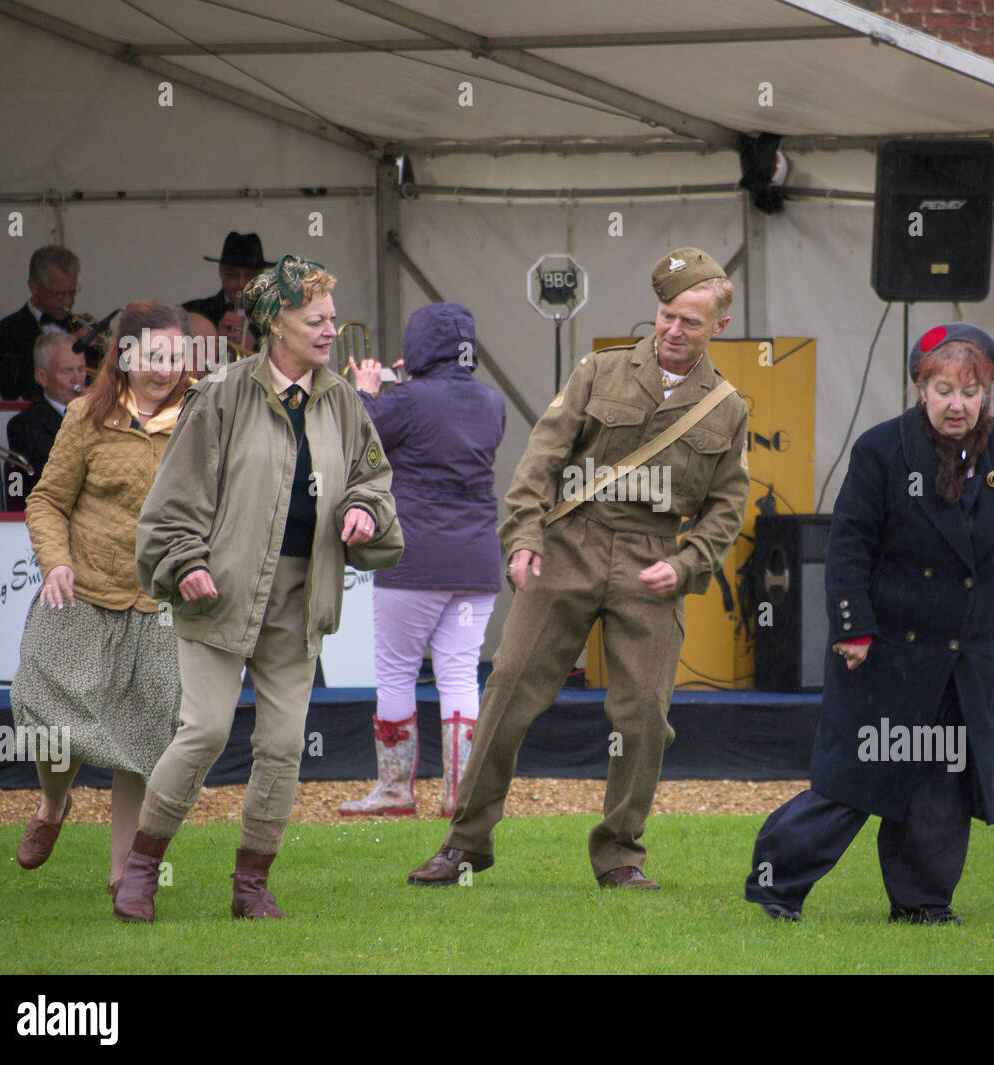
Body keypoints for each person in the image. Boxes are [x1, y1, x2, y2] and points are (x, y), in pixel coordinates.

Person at [407, 247, 750, 890]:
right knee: (508, 689)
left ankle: (620, 853)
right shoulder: (601, 369)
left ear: (719, 328)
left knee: (643, 715)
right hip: (570, 544)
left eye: (691, 323)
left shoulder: (727, 408)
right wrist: (525, 537)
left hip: (653, 558)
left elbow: (727, 509)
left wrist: (687, 565)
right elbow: (542, 456)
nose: (674, 331)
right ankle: (464, 844)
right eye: (667, 316)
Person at [744, 322, 994, 924]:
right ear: (921, 389)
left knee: (943, 786)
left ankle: (922, 904)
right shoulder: (880, 450)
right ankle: (775, 884)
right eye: (943, 390)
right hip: (885, 651)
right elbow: (849, 548)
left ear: (987, 395)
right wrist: (852, 627)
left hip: (962, 657)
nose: (956, 405)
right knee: (854, 781)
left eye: (970, 393)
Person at [118, 254, 403, 923]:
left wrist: (365, 511)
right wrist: (185, 561)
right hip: (216, 594)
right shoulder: (220, 394)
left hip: (302, 599)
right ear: (277, 324)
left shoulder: (341, 402)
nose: (331, 330)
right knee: (205, 732)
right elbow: (174, 502)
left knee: (281, 743)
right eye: (317, 319)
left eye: (333, 317)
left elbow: (374, 481)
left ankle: (251, 885)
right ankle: (139, 870)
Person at [11, 300, 191, 894]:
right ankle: (52, 806)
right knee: (47, 714)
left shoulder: (199, 420)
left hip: (156, 605)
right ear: (126, 355)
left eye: (176, 356)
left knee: (140, 742)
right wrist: (55, 563)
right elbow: (46, 500)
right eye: (153, 357)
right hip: (82, 590)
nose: (165, 370)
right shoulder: (88, 415)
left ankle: (123, 876)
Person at [341, 303, 506, 819]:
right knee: (459, 674)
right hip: (477, 559)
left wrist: (368, 391)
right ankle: (461, 796)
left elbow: (360, 442)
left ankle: (395, 791)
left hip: (414, 556)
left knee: (396, 673)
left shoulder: (407, 400)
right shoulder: (493, 403)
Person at [0, 246, 91, 400]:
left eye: (72, 292)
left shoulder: (83, 326)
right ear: (34, 287)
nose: (67, 301)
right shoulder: (2, 333)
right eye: (58, 294)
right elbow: (11, 391)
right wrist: (70, 349)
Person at [6, 333, 89, 503]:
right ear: (41, 377)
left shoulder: (97, 415)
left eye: (81, 369)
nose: (77, 380)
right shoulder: (24, 425)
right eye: (67, 371)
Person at [183, 231, 268, 350]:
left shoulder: (277, 319)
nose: (241, 283)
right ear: (221, 271)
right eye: (233, 275)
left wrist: (256, 346)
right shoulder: (192, 312)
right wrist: (214, 340)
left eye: (249, 276)